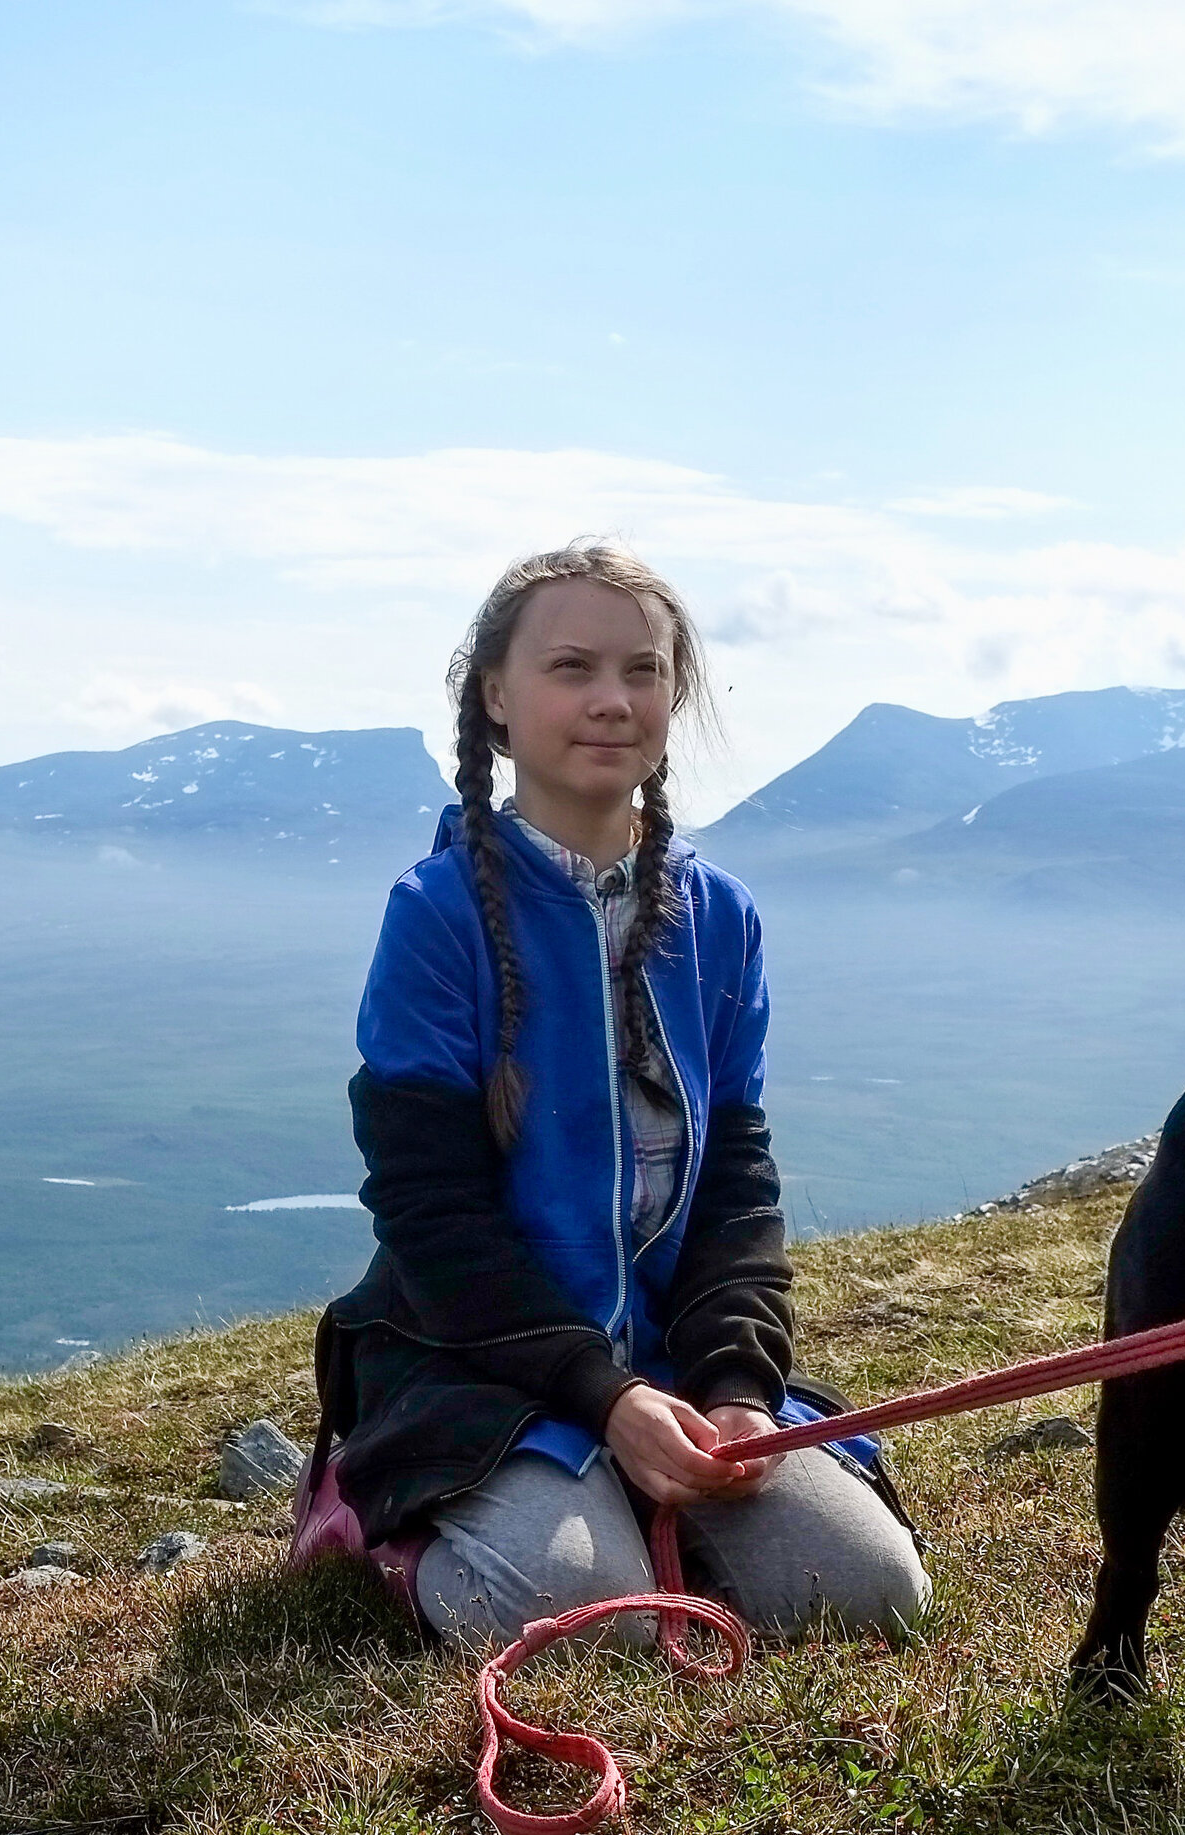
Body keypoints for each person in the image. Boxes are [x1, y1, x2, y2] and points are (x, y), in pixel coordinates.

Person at [294, 540, 928, 1651]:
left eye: (641, 671)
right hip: (483, 1361)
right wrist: (605, 1399)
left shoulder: (719, 918)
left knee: (869, 1598)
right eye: (571, 668)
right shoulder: (435, 919)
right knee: (589, 1630)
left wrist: (735, 1384)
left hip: (675, 1361)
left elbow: (736, 1186)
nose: (610, 700)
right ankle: (382, 1510)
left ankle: (631, 1507)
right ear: (494, 695)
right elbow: (430, 1214)